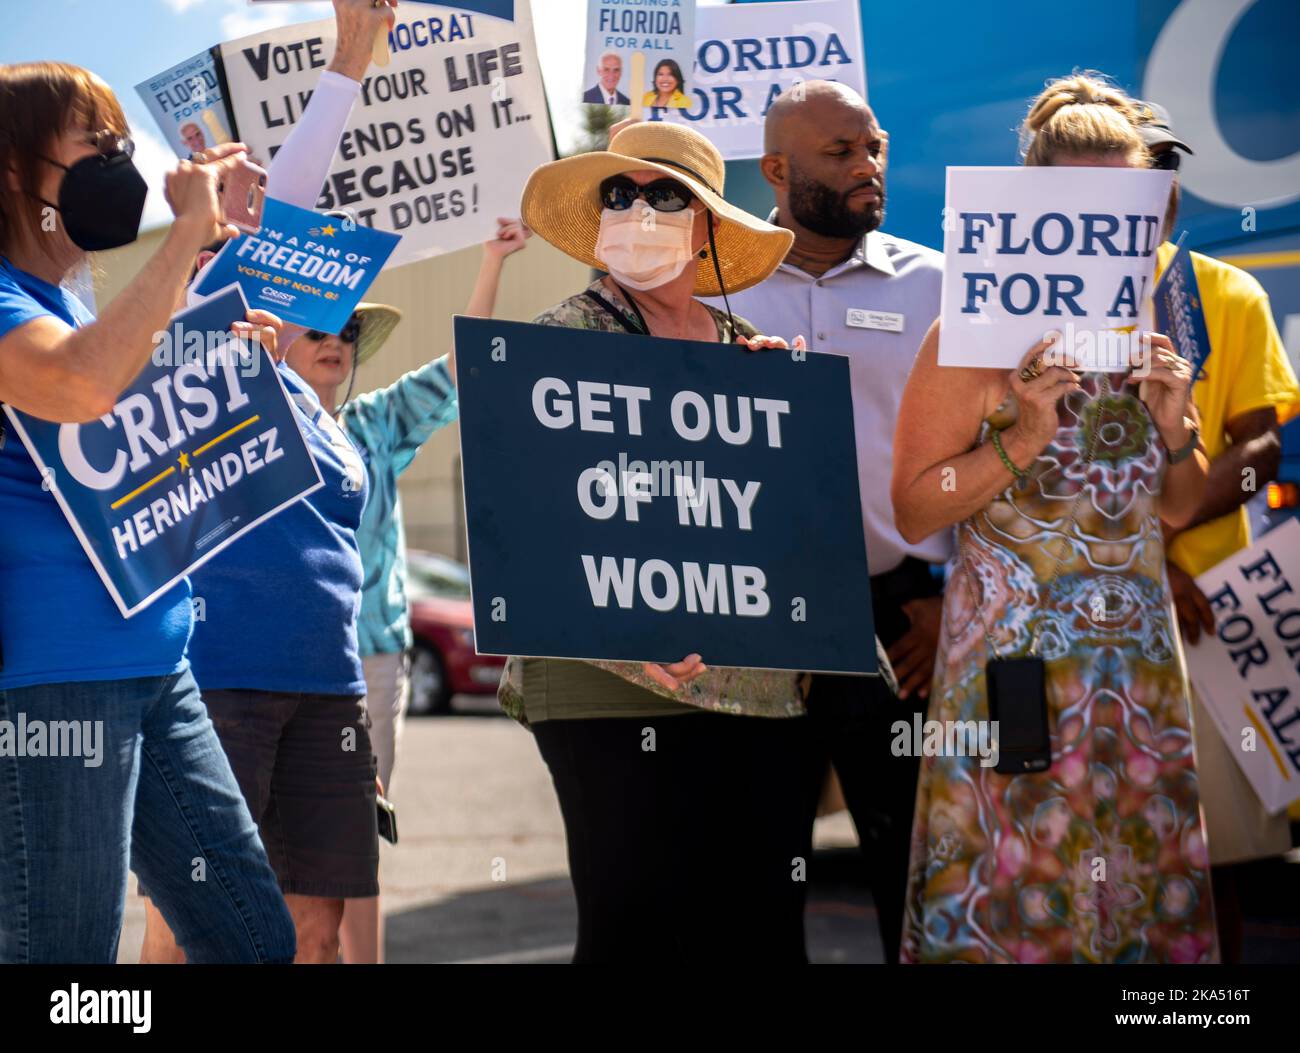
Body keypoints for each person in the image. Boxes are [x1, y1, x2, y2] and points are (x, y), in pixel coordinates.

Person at [510, 120, 873, 963]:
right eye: (619, 194)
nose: (637, 210)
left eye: (664, 195)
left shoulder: (752, 353)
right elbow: (525, 517)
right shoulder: (558, 340)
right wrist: (625, 631)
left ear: (708, 222)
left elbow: (798, 522)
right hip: (607, 688)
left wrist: (782, 419)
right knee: (632, 932)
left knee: (755, 933)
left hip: (755, 685)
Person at [891, 73, 1218, 963]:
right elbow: (915, 504)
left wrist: (1172, 421)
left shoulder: (1160, 329)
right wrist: (1023, 437)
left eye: (1126, 203)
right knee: (1013, 899)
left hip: (1138, 677)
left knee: (1137, 921)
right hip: (1013, 674)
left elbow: (1180, 508)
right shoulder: (973, 334)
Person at [0, 61, 294, 963]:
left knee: (252, 939)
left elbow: (125, 402)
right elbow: (81, 381)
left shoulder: (68, 302)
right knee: (66, 964)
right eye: (96, 144)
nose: (121, 163)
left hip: (156, 663)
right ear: (16, 171)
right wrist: (191, 232)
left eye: (124, 142)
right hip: (55, 684)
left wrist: (222, 360)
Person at [140, 0, 399, 966]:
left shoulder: (321, 410)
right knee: (189, 919)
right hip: (221, 681)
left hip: (324, 692)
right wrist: (349, 62)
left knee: (314, 928)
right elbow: (287, 193)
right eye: (233, 240)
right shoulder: (191, 342)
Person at [707, 80, 947, 964]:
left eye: (874, 146)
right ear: (775, 170)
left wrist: (945, 596)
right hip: (755, 621)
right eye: (841, 152)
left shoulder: (939, 287)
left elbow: (982, 446)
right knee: (758, 875)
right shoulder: (711, 292)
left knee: (916, 871)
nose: (868, 167)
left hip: (905, 624)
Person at [305, 218, 529, 963]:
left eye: (345, 328)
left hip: (372, 659)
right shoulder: (250, 428)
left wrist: (492, 261)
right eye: (314, 329)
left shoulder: (378, 421)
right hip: (279, 661)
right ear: (276, 340)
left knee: (358, 828)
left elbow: (468, 364)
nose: (333, 340)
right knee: (279, 837)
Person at [1135, 99, 1300, 961]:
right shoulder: (1030, 300)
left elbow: (1262, 444)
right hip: (1084, 616)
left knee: (1212, 863)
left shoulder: (1219, 289)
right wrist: (1145, 567)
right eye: (1140, 165)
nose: (1160, 185)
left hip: (1207, 624)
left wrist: (1164, 545)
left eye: (1167, 166)